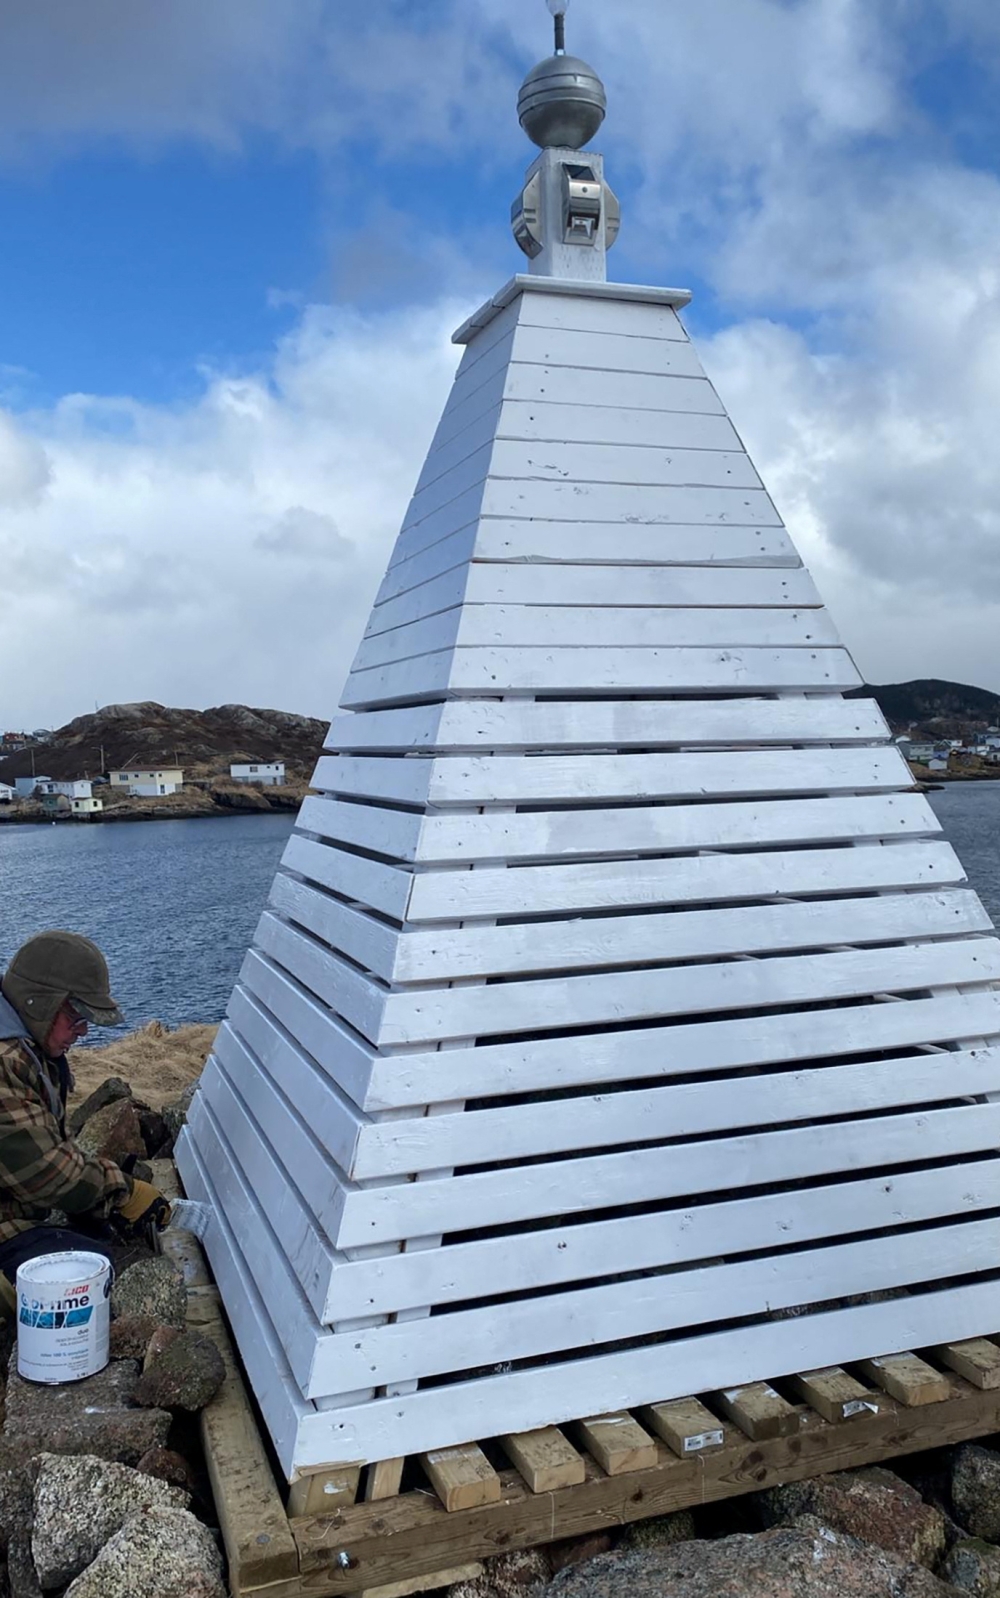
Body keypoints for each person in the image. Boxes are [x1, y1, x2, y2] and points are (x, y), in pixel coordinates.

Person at [0, 931, 170, 1290]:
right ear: (39, 1003)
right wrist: (123, 1193)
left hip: (15, 1212)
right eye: (76, 1016)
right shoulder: (5, 1064)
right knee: (91, 1274)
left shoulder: (30, 1049)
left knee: (90, 1241)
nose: (83, 1032)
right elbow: (45, 1173)